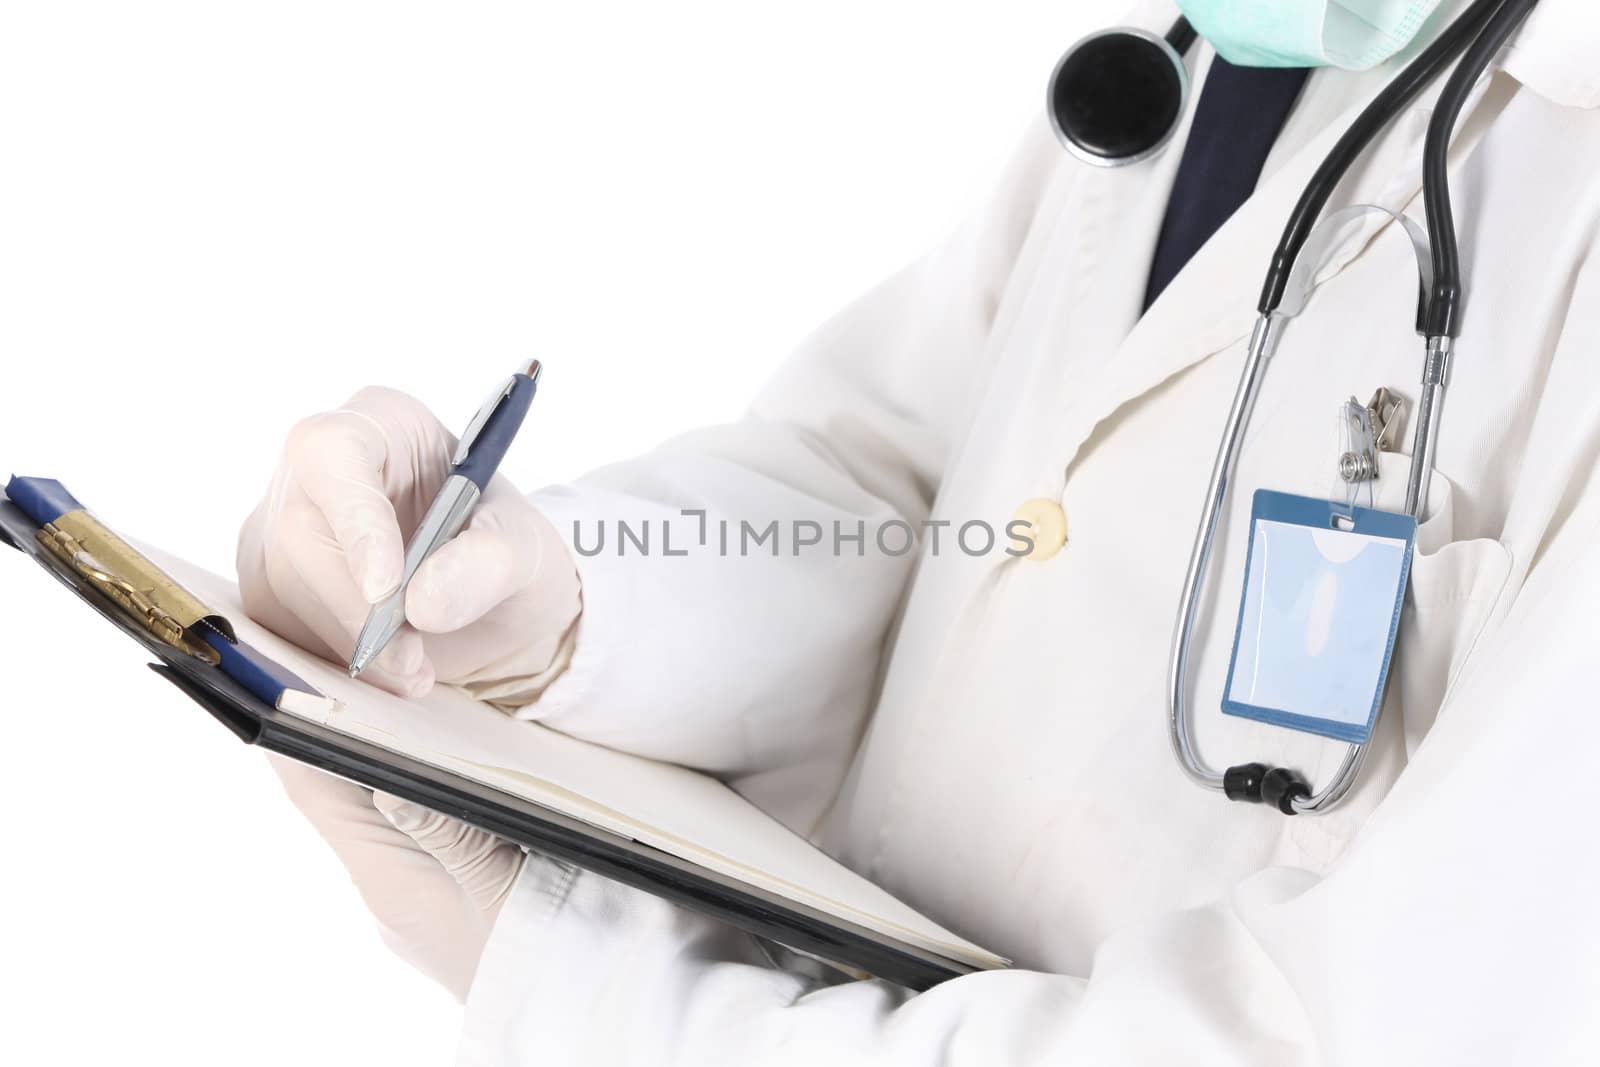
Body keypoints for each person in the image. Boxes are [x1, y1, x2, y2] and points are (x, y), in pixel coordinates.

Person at [239, 0, 1600, 1062]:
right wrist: (566, 598)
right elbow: (922, 489)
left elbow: (1366, 1032)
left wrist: (594, 996)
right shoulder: (1220, 54)